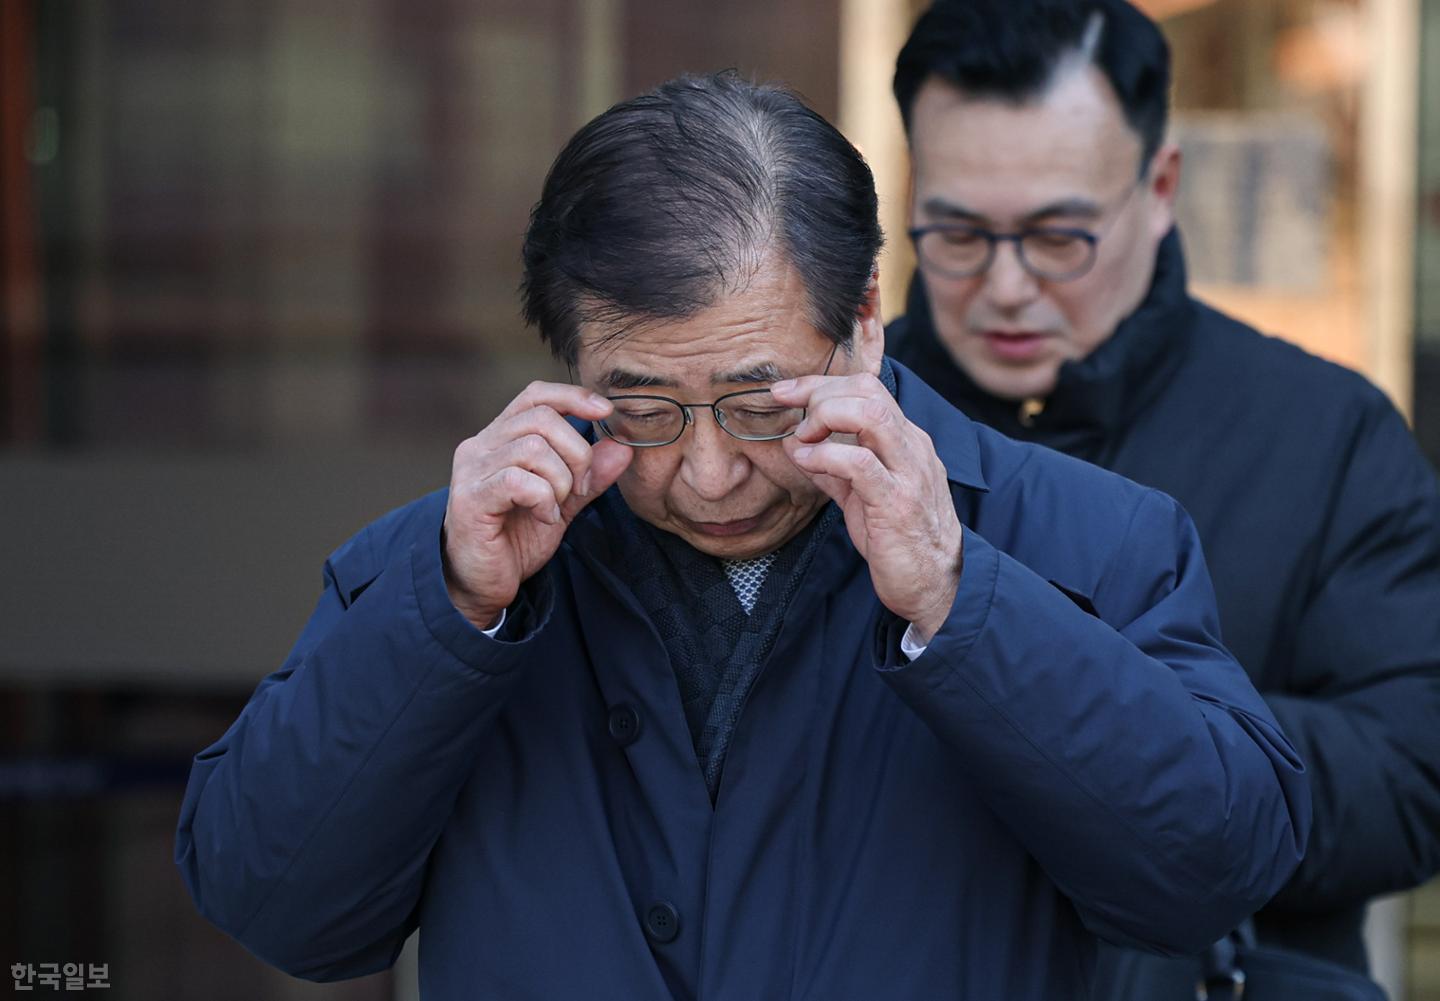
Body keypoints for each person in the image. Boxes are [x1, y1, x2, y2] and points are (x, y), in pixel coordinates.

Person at [175, 72, 1308, 999]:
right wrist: (450, 610)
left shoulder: (1087, 537)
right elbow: (276, 904)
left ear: (864, 318)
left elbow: (1210, 873)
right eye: (642, 407)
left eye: (761, 403)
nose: (708, 472)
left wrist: (965, 601)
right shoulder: (450, 562)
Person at [889, 0, 1440, 979]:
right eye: (959, 233)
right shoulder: (843, 431)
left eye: (1059, 235)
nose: (1006, 286)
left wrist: (1108, 731)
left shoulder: (1325, 431)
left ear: (1160, 188)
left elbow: (1413, 775)